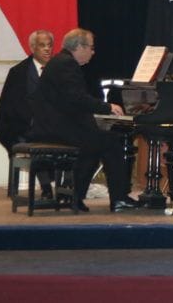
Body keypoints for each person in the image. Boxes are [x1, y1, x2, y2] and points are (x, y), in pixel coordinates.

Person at [27, 29, 140, 212]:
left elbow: (71, 101)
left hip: (53, 126)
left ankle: (75, 197)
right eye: (91, 48)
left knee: (94, 144)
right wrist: (108, 107)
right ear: (79, 47)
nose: (93, 52)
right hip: (54, 130)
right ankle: (119, 199)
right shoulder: (66, 64)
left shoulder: (61, 62)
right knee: (111, 142)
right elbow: (77, 99)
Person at [0, 30, 55, 199]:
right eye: (42, 45)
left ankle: (69, 189)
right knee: (37, 141)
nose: (47, 49)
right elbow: (11, 107)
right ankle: (46, 188)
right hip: (21, 128)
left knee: (73, 136)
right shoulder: (19, 72)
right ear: (33, 48)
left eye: (50, 45)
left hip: (50, 127)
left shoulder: (57, 70)